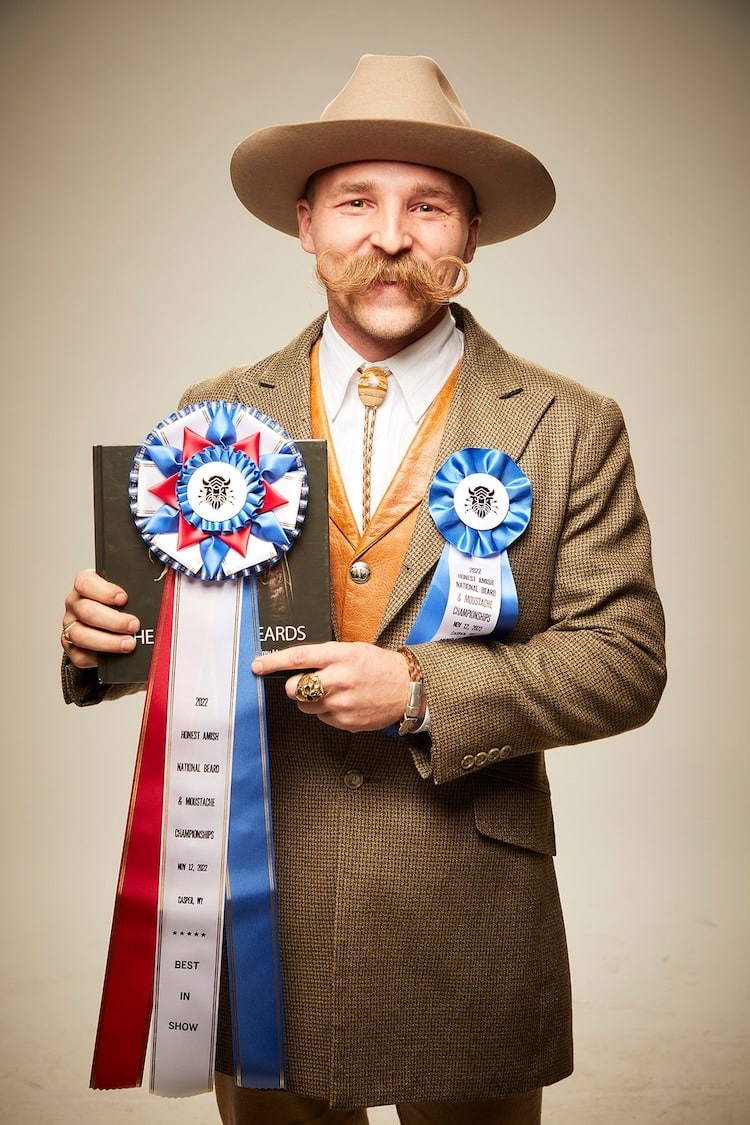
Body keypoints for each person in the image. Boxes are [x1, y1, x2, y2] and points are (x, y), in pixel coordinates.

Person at [60, 54, 666, 1125]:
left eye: (429, 206)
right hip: (254, 904)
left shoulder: (571, 425)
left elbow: (624, 659)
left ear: (469, 236)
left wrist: (423, 687)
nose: (392, 235)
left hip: (468, 908)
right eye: (358, 203)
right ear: (306, 225)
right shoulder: (213, 407)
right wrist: (101, 646)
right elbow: (184, 641)